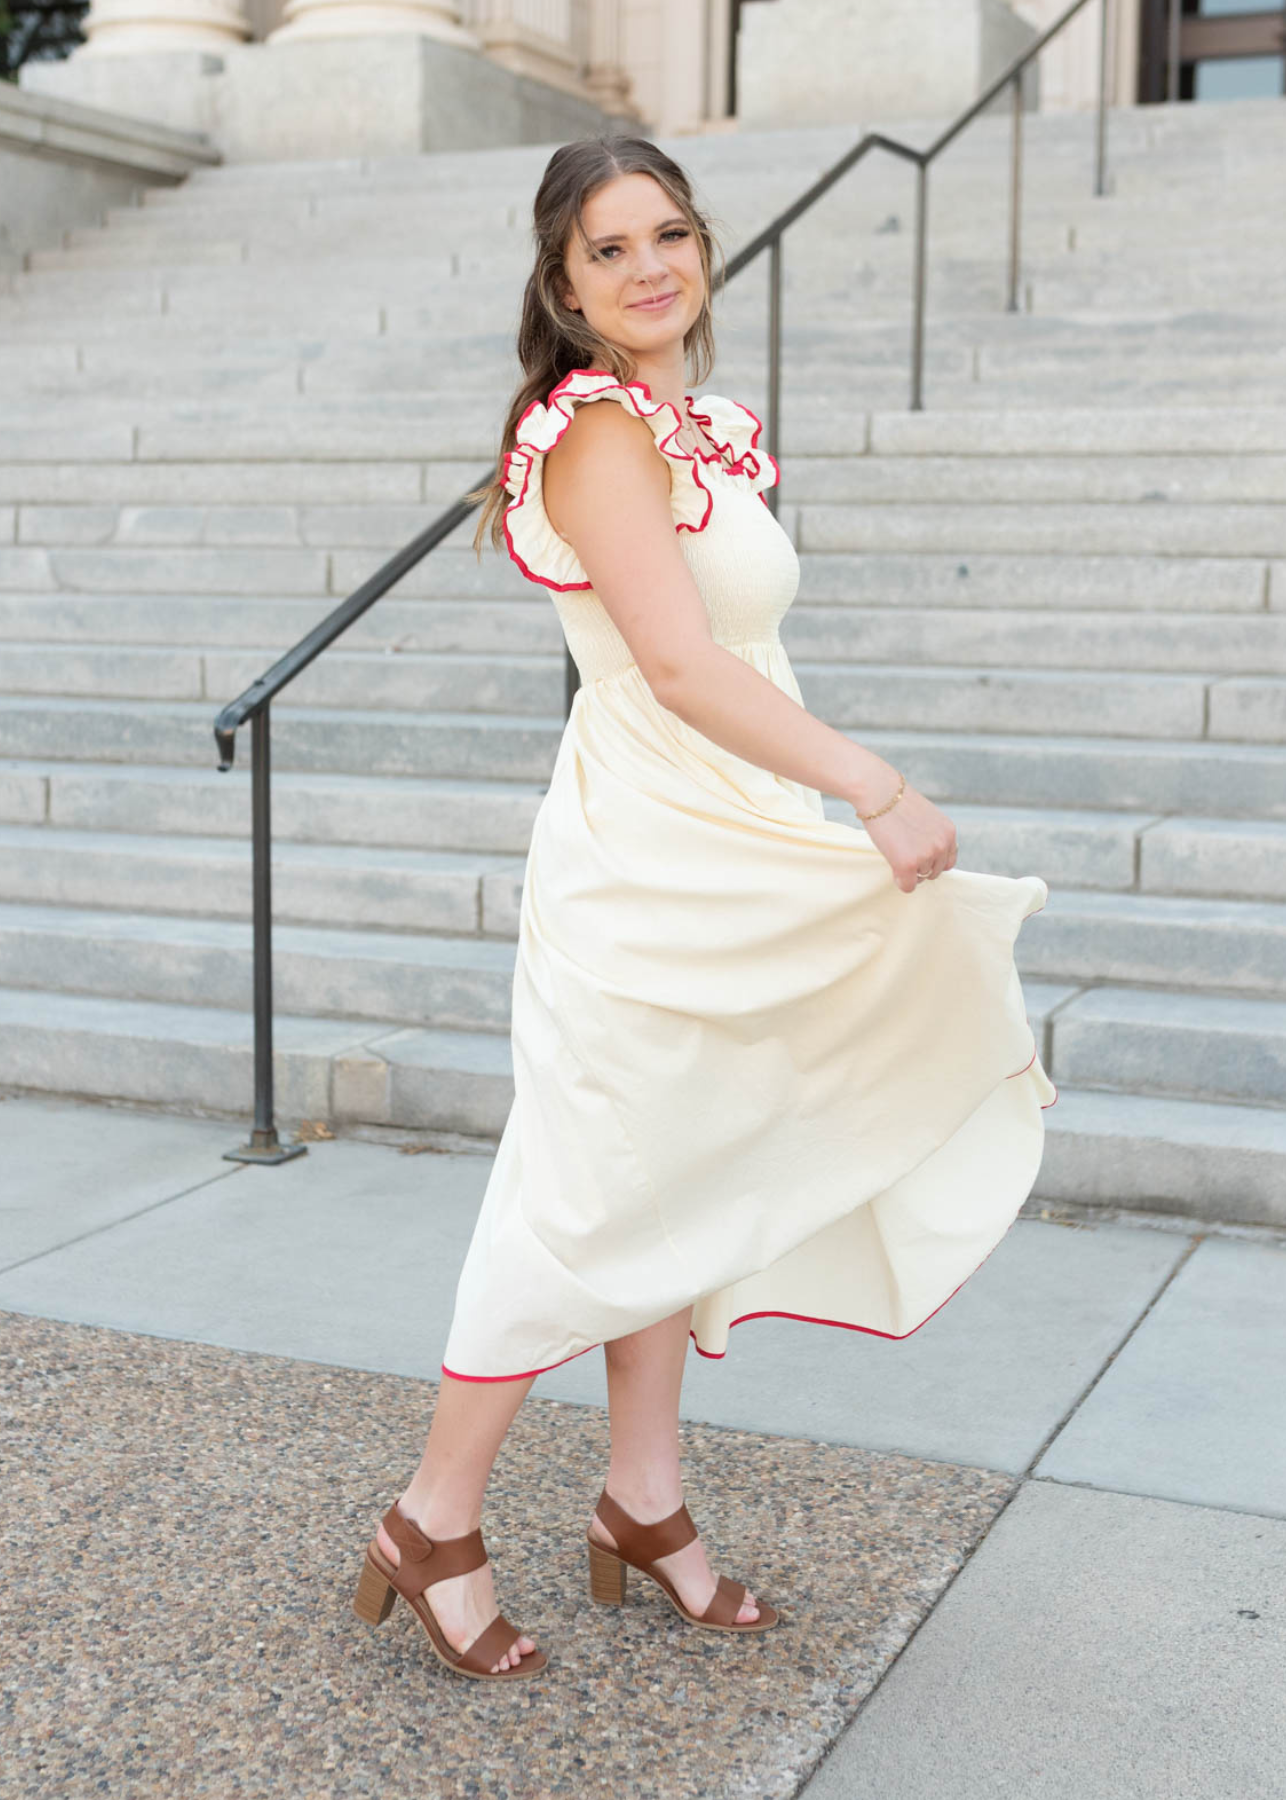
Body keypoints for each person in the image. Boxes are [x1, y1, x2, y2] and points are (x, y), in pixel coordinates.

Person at [352, 134, 1057, 1683]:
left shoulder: (703, 424)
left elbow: (738, 651)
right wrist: (870, 783)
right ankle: (431, 1515)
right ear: (563, 282)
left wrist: (812, 796)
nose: (649, 265)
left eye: (668, 232)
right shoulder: (595, 429)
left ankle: (643, 1495)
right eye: (608, 249)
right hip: (645, 850)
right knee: (589, 1186)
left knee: (687, 1163)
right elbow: (673, 662)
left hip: (733, 829)